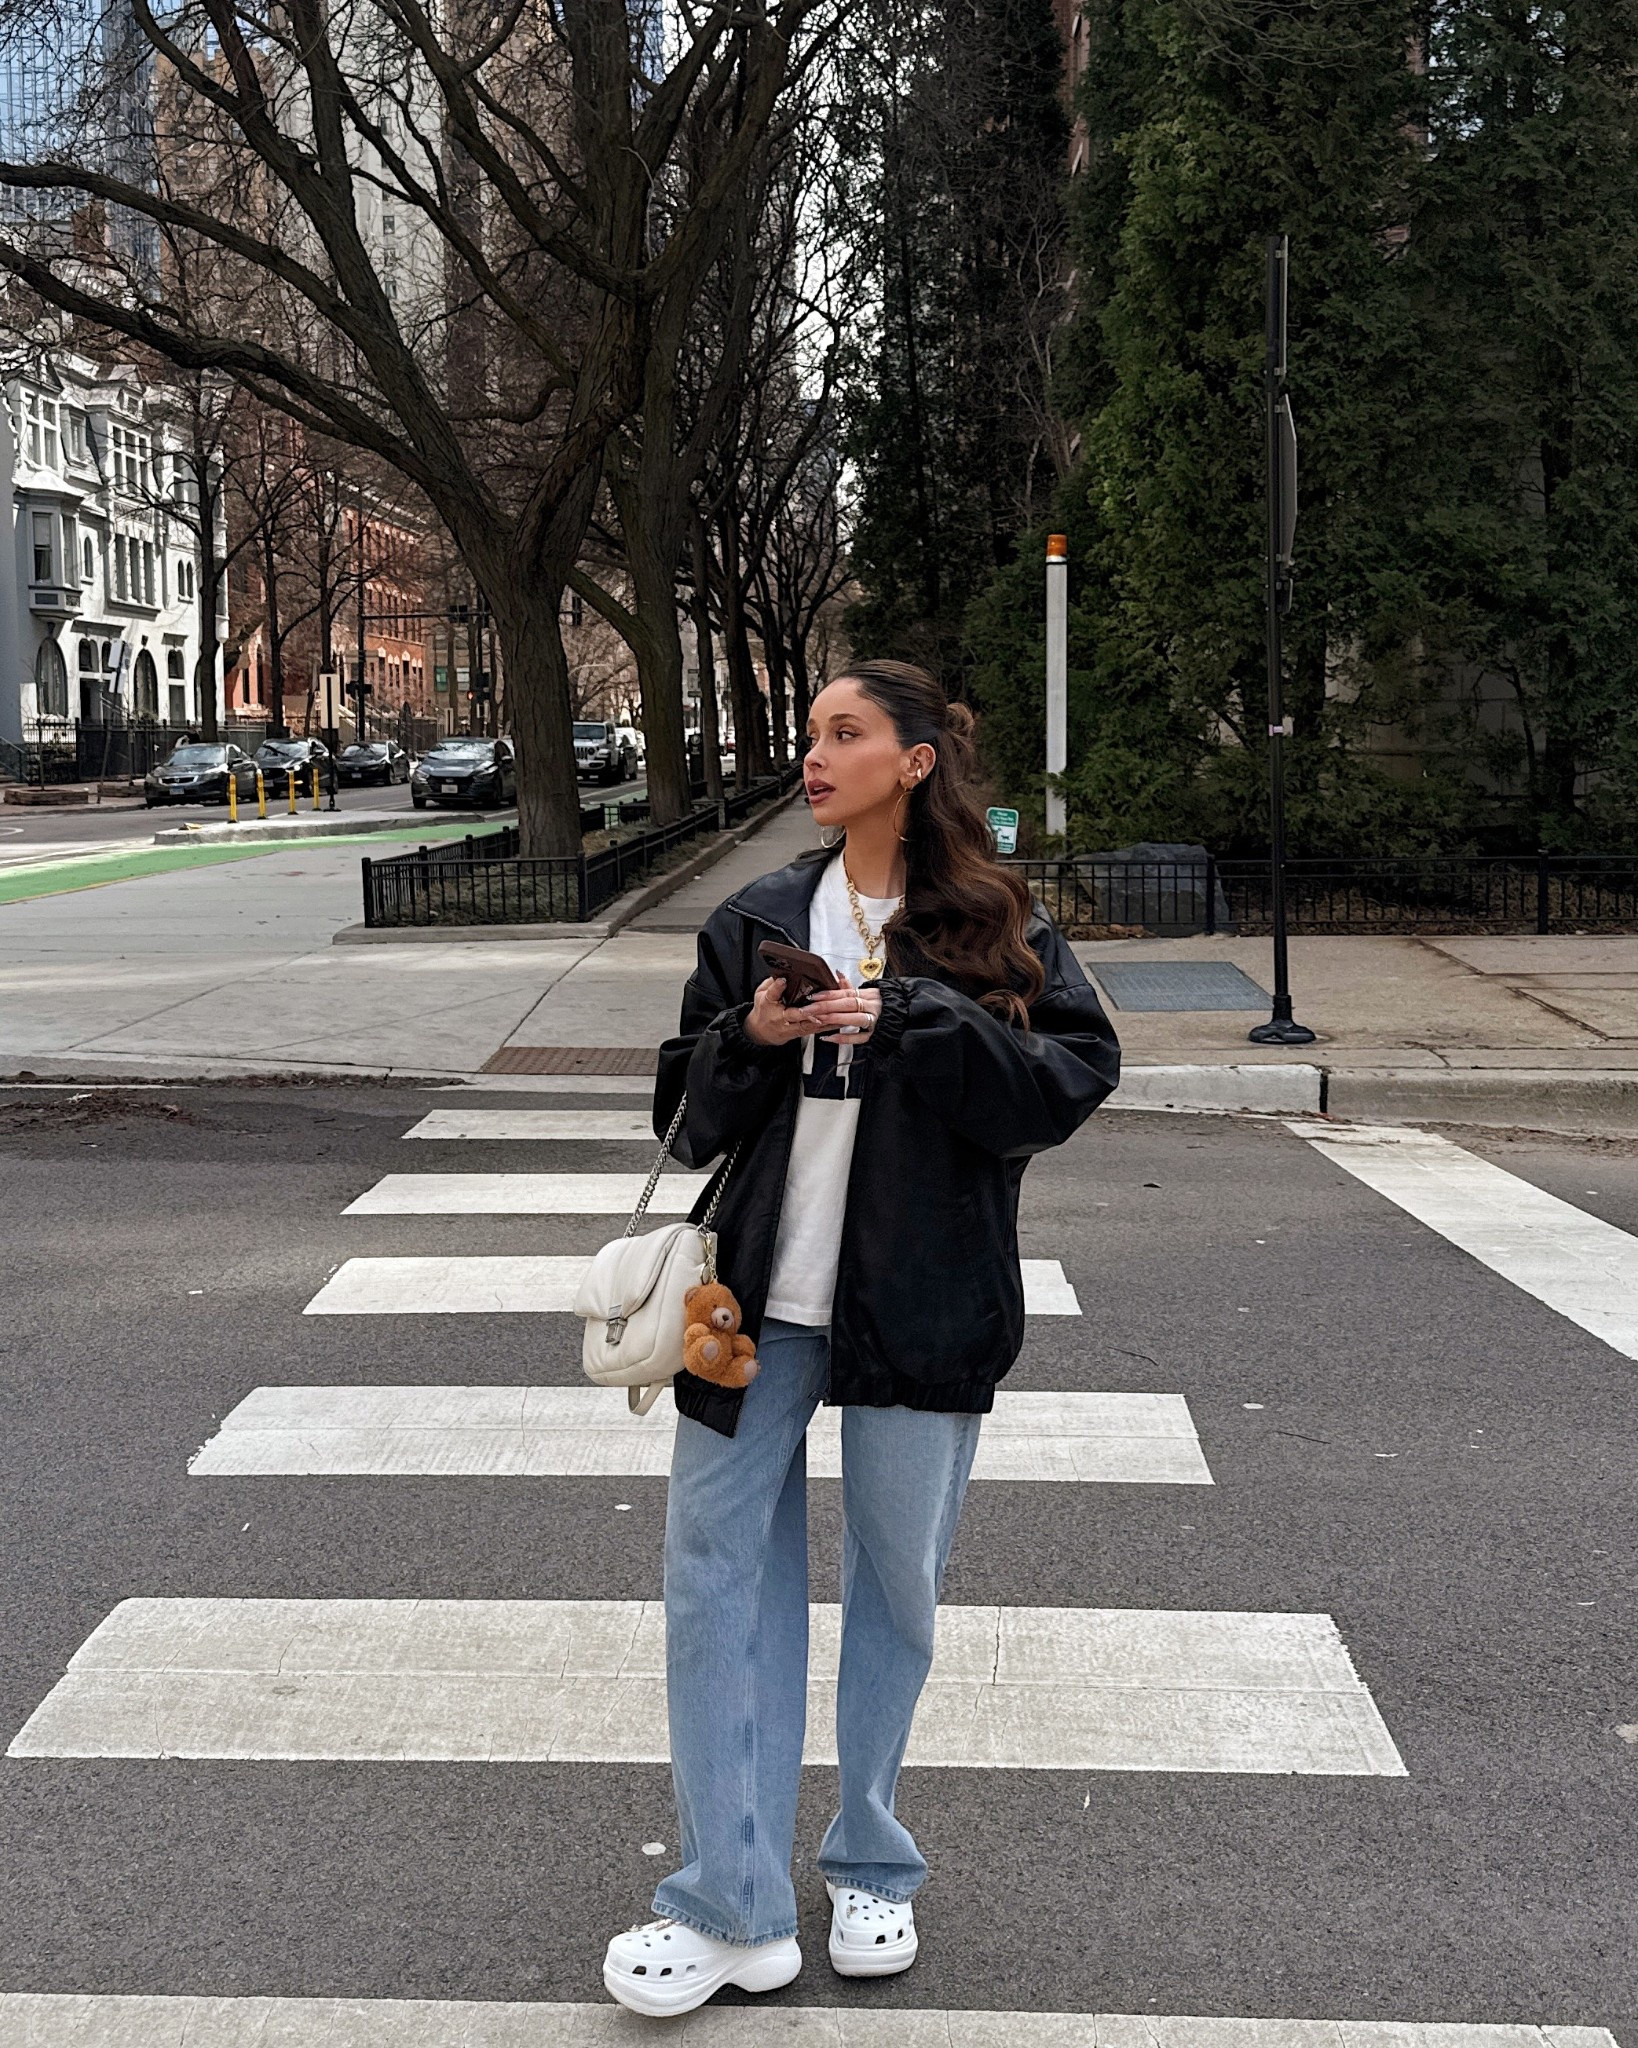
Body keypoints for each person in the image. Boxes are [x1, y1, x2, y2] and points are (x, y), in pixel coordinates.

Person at [603, 659, 1121, 2019]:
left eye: (846, 735)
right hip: (750, 1309)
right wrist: (753, 1033)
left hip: (925, 1303)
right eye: (812, 736)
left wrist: (913, 1016)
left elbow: (1058, 1090)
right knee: (713, 1578)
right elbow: (687, 1115)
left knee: (896, 1593)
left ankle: (869, 1862)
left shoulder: (999, 924)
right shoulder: (761, 913)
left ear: (917, 759)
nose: (815, 759)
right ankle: (729, 1904)